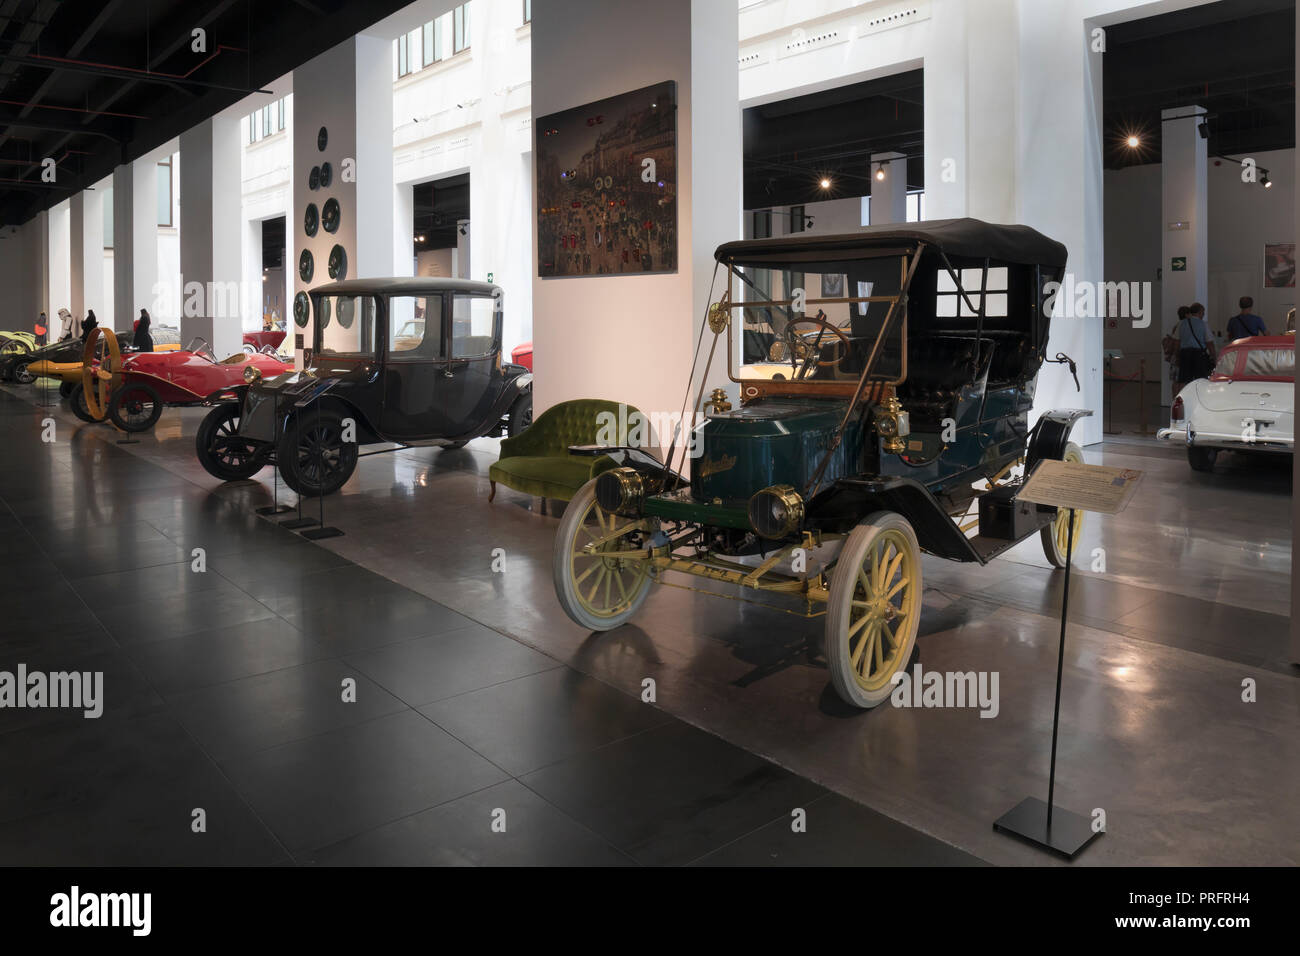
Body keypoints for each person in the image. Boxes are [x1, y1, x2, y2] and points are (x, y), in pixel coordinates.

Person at [1177, 302, 1214, 392]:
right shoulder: (1203, 324)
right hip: (1198, 354)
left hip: (1184, 353)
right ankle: (1199, 398)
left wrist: (1177, 355)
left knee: (1183, 379)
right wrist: (1213, 355)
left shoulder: (1181, 323)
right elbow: (1209, 342)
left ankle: (1181, 400)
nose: (1204, 314)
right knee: (1200, 379)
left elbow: (1177, 341)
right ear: (1200, 312)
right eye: (1203, 312)